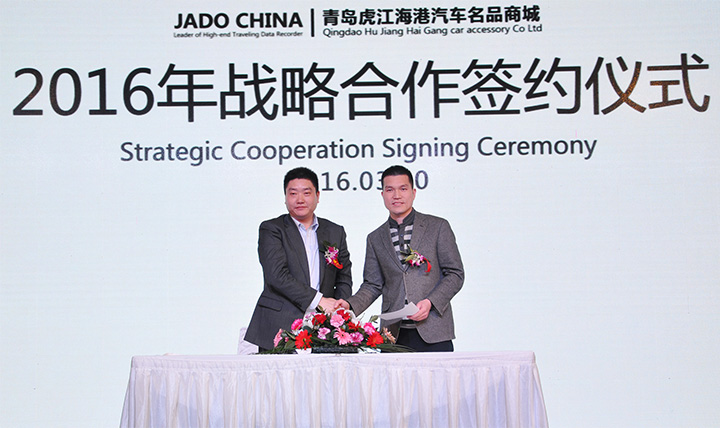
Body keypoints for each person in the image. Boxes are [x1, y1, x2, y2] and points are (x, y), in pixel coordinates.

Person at [337, 165, 464, 352]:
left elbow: (455, 274)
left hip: (434, 332)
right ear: (383, 195)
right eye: (390, 190)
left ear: (413, 192)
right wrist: (350, 305)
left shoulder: (437, 227)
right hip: (393, 335)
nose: (396, 195)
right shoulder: (375, 238)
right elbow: (373, 285)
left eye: (403, 189)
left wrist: (430, 302)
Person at [245, 167, 352, 351]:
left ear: (318, 196)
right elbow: (277, 276)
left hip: (324, 328)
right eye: (293, 193)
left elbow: (343, 277)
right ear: (285, 197)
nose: (300, 199)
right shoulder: (272, 229)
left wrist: (339, 308)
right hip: (279, 325)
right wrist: (319, 300)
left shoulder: (335, 231)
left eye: (306, 193)